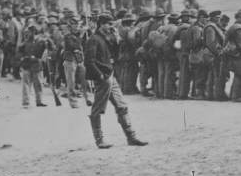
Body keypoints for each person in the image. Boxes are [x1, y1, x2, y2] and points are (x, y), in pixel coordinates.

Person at [84, 13, 148, 149]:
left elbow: (116, 56)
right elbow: (88, 61)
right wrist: (100, 76)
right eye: (109, 24)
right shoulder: (94, 39)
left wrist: (117, 41)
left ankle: (131, 137)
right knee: (98, 109)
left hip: (110, 77)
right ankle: (99, 140)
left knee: (122, 106)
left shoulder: (106, 39)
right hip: (103, 78)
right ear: (101, 24)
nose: (111, 27)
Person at [62, 15, 92, 109]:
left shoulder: (82, 34)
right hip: (70, 60)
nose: (77, 26)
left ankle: (88, 98)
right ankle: (73, 101)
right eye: (75, 24)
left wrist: (87, 34)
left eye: (78, 24)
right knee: (71, 82)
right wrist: (81, 36)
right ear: (71, 25)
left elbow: (86, 44)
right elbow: (73, 46)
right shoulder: (67, 36)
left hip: (80, 59)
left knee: (85, 80)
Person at [17, 23, 48, 108]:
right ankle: (25, 102)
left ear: (34, 32)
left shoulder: (42, 41)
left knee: (38, 84)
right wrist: (22, 59)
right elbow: (19, 50)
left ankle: (39, 101)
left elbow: (49, 50)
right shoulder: (26, 41)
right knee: (26, 84)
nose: (27, 33)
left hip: (37, 65)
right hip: (27, 64)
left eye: (29, 32)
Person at [203, 10, 225, 101]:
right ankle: (217, 96)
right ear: (212, 18)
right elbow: (210, 43)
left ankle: (210, 95)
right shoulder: (211, 27)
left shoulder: (212, 26)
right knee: (217, 75)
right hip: (212, 54)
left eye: (219, 18)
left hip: (211, 53)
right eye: (217, 18)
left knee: (212, 75)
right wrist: (218, 52)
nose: (218, 20)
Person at [188, 9, 209, 100]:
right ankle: (198, 94)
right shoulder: (197, 28)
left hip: (197, 54)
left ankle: (195, 93)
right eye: (204, 18)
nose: (206, 20)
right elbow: (196, 41)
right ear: (200, 18)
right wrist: (206, 38)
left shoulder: (200, 27)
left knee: (198, 74)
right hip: (197, 54)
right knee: (199, 74)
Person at [174, 9, 194, 100]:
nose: (189, 18)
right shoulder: (185, 28)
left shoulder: (180, 27)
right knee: (185, 74)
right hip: (186, 53)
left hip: (182, 53)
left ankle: (180, 93)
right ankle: (183, 94)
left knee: (183, 74)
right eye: (187, 16)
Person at [160, 13, 181, 99]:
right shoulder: (175, 28)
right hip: (170, 52)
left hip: (162, 52)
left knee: (164, 73)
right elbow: (174, 43)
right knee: (170, 73)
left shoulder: (162, 27)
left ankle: (163, 93)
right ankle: (169, 93)